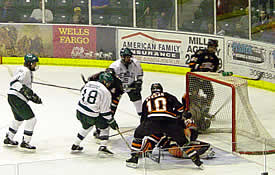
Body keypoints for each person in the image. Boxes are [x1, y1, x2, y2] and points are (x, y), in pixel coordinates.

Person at [126, 83, 203, 169]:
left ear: (152, 91)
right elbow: (181, 109)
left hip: (152, 122)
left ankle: (134, 158)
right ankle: (197, 160)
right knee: (183, 142)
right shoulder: (167, 95)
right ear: (161, 90)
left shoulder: (147, 100)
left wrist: (143, 127)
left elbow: (143, 119)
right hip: (170, 123)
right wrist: (177, 117)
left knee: (138, 134)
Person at [71, 72, 119, 155]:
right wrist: (112, 121)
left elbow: (82, 91)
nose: (109, 85)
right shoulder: (106, 92)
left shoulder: (89, 83)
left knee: (86, 127)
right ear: (103, 81)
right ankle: (103, 146)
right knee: (105, 127)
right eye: (108, 83)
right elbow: (105, 112)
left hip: (79, 112)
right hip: (91, 115)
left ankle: (75, 145)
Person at [4, 54, 42, 151]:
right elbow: (16, 83)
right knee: (31, 119)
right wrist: (28, 93)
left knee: (18, 119)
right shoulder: (26, 72)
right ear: (29, 63)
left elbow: (15, 82)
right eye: (34, 63)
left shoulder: (21, 69)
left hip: (11, 96)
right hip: (17, 98)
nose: (35, 65)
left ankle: (9, 138)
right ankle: (26, 142)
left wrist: (30, 93)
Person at [188, 39, 220, 131]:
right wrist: (201, 70)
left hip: (205, 79)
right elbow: (191, 64)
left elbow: (214, 71)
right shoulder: (200, 53)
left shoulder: (215, 59)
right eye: (212, 46)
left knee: (210, 94)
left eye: (214, 47)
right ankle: (194, 112)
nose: (213, 49)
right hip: (194, 78)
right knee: (194, 95)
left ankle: (205, 111)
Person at [86, 68, 124, 142]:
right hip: (101, 98)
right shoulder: (98, 75)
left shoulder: (117, 83)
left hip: (112, 99)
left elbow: (119, 95)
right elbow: (90, 80)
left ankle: (103, 131)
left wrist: (113, 107)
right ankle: (98, 130)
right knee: (98, 114)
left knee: (109, 116)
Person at [109, 48, 143, 118]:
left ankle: (143, 120)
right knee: (112, 106)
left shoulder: (135, 64)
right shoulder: (115, 66)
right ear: (122, 57)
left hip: (131, 86)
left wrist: (139, 82)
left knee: (139, 104)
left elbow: (140, 74)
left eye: (130, 57)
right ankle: (108, 120)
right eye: (127, 57)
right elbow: (109, 78)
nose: (129, 59)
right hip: (118, 88)